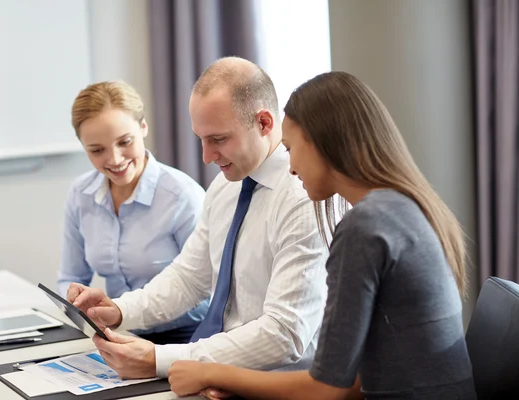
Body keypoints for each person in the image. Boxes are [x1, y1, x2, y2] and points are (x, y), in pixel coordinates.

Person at [167, 71, 477, 400]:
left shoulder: (364, 228)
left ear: (325, 144)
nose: (290, 166)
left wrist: (211, 371)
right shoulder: (399, 208)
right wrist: (237, 381)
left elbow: (326, 388)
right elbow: (355, 379)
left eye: (290, 148)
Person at [67, 57, 329, 380]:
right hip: (217, 376)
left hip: (275, 383)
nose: (206, 157)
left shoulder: (300, 198)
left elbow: (284, 334)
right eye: (201, 139)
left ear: (264, 123)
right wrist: (121, 310)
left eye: (218, 140)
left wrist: (161, 359)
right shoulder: (225, 186)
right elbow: (189, 278)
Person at [58, 80, 209, 345]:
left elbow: (210, 294)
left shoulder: (182, 196)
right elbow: (70, 277)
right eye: (97, 150)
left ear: (143, 127)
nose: (115, 159)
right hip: (118, 334)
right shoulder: (81, 194)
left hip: (187, 339)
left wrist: (125, 313)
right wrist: (73, 297)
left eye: (124, 142)